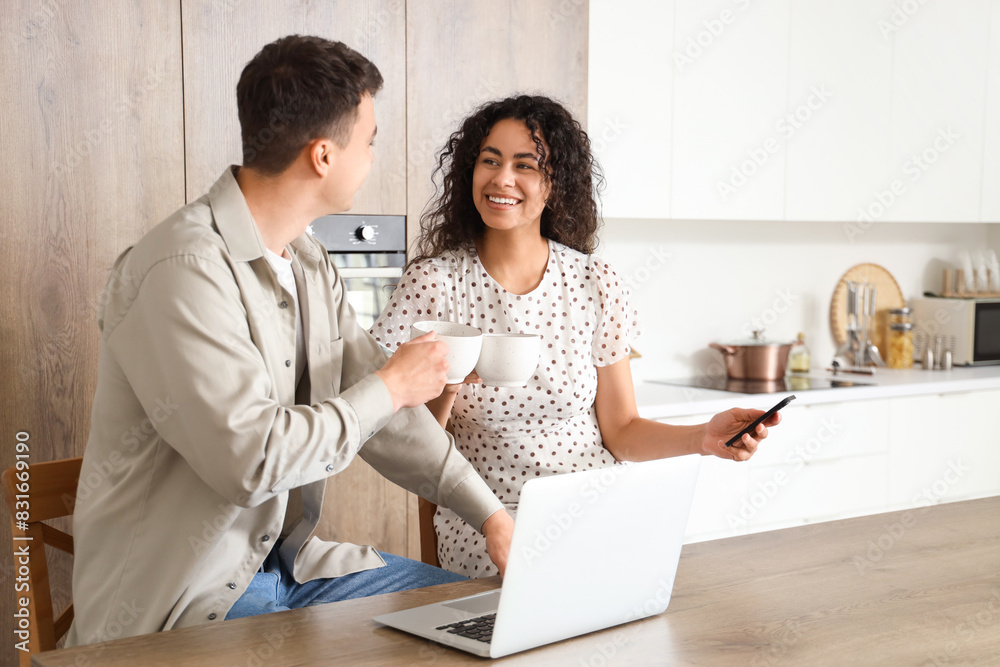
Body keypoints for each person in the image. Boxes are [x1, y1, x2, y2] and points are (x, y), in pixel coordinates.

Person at [66, 35, 514, 647]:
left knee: (484, 617)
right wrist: (390, 386)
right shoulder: (180, 270)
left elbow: (384, 408)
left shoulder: (307, 260)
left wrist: (488, 513)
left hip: (291, 571)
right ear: (323, 156)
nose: (374, 157)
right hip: (188, 605)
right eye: (370, 141)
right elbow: (252, 462)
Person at [370, 95, 779, 578]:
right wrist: (451, 386)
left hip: (592, 506)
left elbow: (622, 431)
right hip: (486, 519)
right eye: (490, 161)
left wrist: (705, 438)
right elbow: (405, 445)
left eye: (525, 165)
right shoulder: (434, 284)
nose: (502, 179)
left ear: (555, 184)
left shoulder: (594, 281)